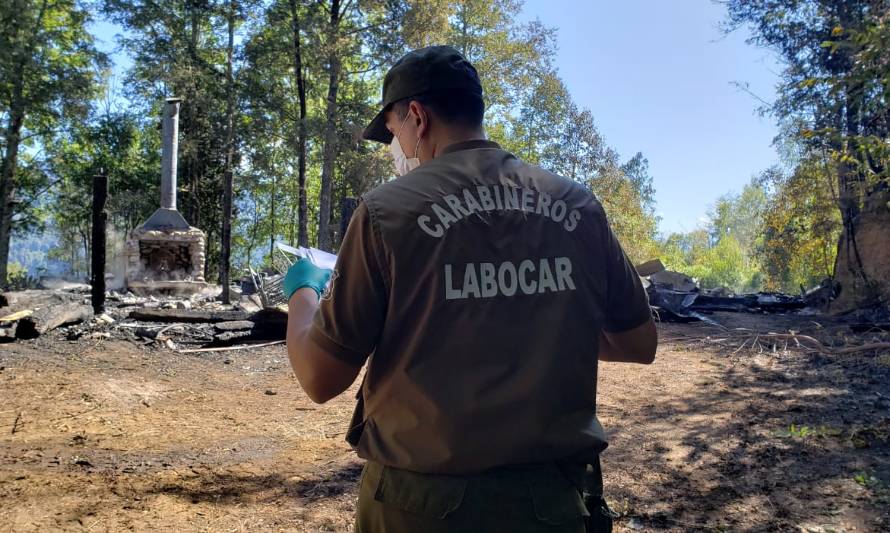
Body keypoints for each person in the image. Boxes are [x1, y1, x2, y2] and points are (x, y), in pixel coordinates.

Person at [283, 45, 657, 533]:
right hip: (556, 503)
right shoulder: (577, 204)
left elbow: (319, 378)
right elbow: (638, 342)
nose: (393, 147)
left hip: (418, 507)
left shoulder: (387, 213)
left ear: (417, 116)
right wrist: (535, 316)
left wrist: (303, 294)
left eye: (391, 132)